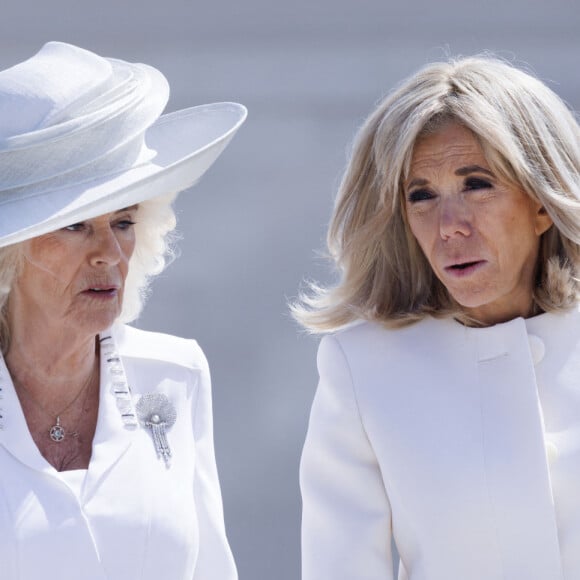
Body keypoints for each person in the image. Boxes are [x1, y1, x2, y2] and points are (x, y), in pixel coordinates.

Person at [294, 55, 580, 579]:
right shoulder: (362, 366)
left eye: (476, 185)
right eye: (421, 196)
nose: (449, 226)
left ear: (542, 203)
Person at [0, 42, 246, 580]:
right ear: (8, 252)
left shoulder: (176, 375)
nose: (109, 253)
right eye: (75, 224)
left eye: (124, 222)